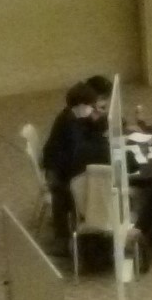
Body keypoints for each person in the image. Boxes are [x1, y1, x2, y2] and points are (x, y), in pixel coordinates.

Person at [39, 82, 109, 245]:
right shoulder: (69, 122)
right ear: (81, 105)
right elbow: (78, 151)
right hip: (58, 172)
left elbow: (91, 128)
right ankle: (62, 239)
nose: (92, 108)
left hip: (63, 164)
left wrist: (100, 120)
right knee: (74, 189)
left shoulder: (74, 116)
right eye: (90, 105)